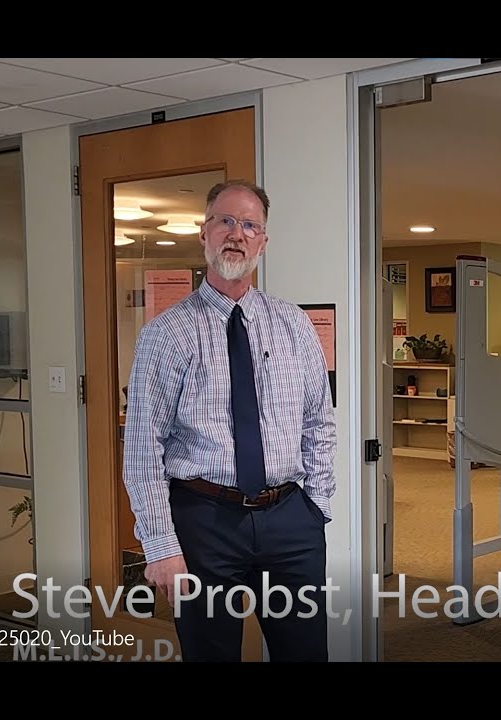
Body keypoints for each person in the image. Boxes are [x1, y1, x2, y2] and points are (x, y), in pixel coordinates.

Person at [122, 179, 336, 662]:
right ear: (204, 232)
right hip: (204, 522)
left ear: (263, 240)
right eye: (225, 221)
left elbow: (319, 421)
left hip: (289, 522)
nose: (236, 234)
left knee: (304, 653)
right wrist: (160, 546)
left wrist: (314, 509)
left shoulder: (293, 324)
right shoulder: (167, 334)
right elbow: (142, 447)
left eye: (249, 225)